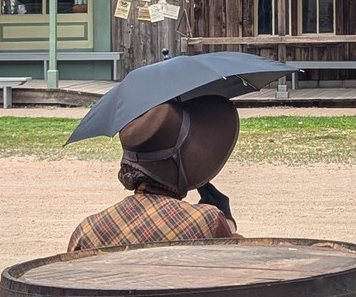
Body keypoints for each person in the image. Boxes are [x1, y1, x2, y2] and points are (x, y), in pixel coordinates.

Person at [68, 94, 240, 250]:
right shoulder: (206, 221)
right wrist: (226, 223)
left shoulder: (86, 232)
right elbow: (232, 269)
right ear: (183, 164)